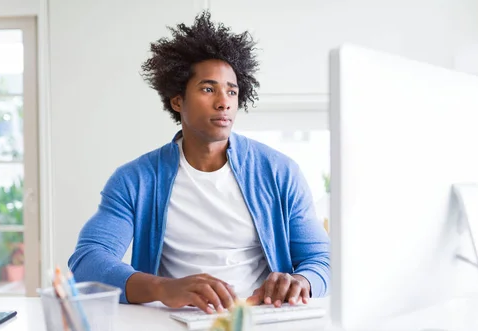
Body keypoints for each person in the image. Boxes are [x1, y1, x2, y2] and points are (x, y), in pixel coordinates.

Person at [68, 11, 330, 314]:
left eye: (231, 90)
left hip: (261, 318)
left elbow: (321, 260)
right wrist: (163, 288)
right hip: (173, 323)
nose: (224, 102)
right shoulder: (135, 180)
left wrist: (302, 281)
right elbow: (87, 261)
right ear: (177, 101)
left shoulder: (279, 172)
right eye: (209, 89)